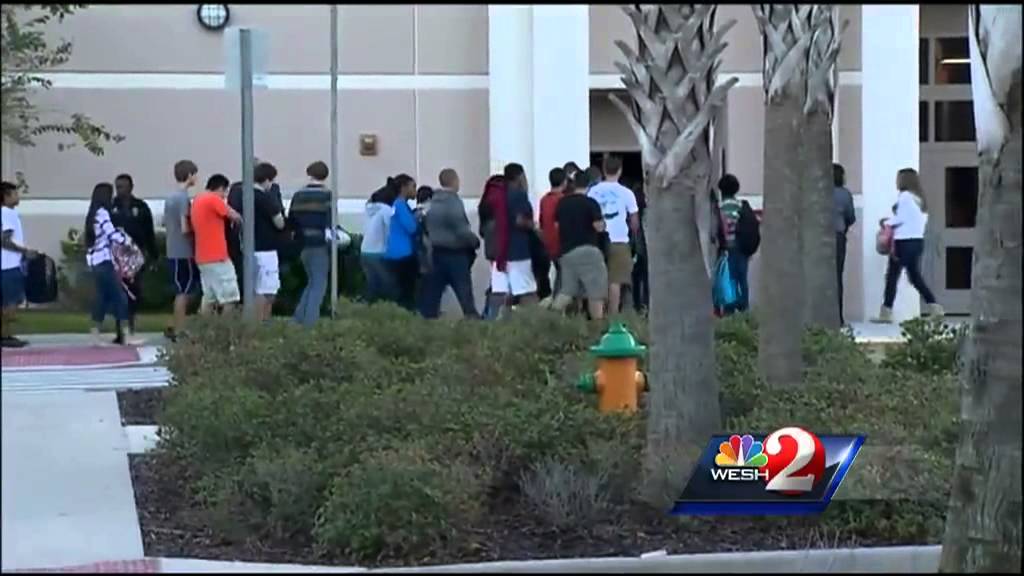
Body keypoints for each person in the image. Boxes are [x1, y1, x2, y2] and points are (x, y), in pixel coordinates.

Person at [872, 168, 943, 323]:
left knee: (892, 276)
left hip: (903, 243)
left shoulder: (904, 197)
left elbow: (901, 218)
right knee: (914, 276)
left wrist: (886, 223)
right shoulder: (920, 200)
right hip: (917, 242)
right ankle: (934, 307)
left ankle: (886, 313)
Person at [84, 183, 145, 346]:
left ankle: (95, 335)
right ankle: (126, 335)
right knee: (120, 297)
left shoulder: (92, 214)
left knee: (102, 298)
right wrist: (127, 241)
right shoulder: (102, 213)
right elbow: (111, 233)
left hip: (95, 261)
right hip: (104, 261)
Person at [543, 171, 608, 320]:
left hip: (567, 253)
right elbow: (598, 227)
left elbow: (557, 226)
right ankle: (597, 326)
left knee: (567, 291)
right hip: (589, 251)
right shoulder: (591, 203)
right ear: (588, 185)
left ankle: (551, 312)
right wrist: (604, 224)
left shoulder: (562, 203)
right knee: (595, 292)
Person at [420, 168, 480, 319]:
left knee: (433, 295)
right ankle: (473, 321)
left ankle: (426, 324)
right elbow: (461, 228)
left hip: (437, 253)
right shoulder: (453, 202)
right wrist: (474, 241)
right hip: (455, 254)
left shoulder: (433, 203)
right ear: (454, 181)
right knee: (464, 293)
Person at [482, 163, 538, 317]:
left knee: (499, 293)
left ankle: (494, 322)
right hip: (517, 251)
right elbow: (519, 220)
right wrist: (533, 226)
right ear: (520, 176)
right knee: (527, 292)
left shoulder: (496, 195)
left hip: (498, 252)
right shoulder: (518, 195)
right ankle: (535, 322)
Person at [587, 154, 639, 315]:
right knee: (615, 281)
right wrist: (633, 238)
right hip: (619, 240)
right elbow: (634, 221)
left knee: (596, 281)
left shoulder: (592, 191)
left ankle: (596, 317)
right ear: (620, 170)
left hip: (596, 241)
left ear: (603, 169)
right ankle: (613, 317)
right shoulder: (627, 193)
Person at [110, 173, 157, 336]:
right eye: (117, 187)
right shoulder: (111, 207)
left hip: (135, 258)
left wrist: (153, 256)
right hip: (116, 257)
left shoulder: (141, 207)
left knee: (133, 292)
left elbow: (149, 232)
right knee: (118, 293)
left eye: (122, 186)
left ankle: (130, 324)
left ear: (130, 187)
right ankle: (120, 330)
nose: (119, 190)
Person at [288, 161, 333, 327]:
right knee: (319, 283)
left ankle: (298, 318)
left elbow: (291, 218)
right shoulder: (327, 195)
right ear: (325, 175)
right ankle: (310, 322)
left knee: (311, 281)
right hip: (319, 243)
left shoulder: (298, 194)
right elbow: (330, 221)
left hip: (302, 243)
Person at [191, 174, 242, 316]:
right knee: (230, 297)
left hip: (203, 257)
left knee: (209, 297)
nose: (225, 196)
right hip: (218, 256)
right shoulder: (213, 199)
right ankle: (225, 331)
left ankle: (204, 331)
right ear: (220, 188)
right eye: (225, 192)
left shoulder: (198, 199)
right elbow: (234, 216)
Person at [162, 160, 200, 341]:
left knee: (181, 289)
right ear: (190, 175)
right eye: (195, 174)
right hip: (183, 251)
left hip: (172, 248)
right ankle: (180, 329)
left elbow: (164, 222)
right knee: (184, 291)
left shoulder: (170, 197)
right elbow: (185, 227)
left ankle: (174, 324)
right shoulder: (183, 198)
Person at [1, 181, 36, 348]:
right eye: (14, 194)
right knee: (11, 302)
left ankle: (6, 334)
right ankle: (5, 335)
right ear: (6, 196)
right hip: (9, 266)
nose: (18, 196)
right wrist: (24, 251)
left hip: (7, 265)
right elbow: (4, 240)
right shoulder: (7, 213)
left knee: (7, 302)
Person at [382, 174, 419, 311]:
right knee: (406, 293)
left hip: (392, 252)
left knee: (398, 291)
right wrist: (418, 218)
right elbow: (411, 227)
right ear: (404, 188)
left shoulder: (395, 205)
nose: (415, 190)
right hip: (403, 254)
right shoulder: (401, 205)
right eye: (413, 187)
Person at [715, 174, 750, 314]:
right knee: (742, 279)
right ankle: (744, 309)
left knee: (728, 279)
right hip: (741, 248)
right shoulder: (741, 206)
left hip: (725, 249)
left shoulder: (719, 208)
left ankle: (729, 310)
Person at [361, 183, 396, 304]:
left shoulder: (368, 209)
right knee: (388, 284)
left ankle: (367, 306)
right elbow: (390, 231)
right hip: (379, 251)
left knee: (372, 283)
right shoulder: (386, 210)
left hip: (365, 250)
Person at [833, 163, 856, 326]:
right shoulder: (844, 194)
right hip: (838, 236)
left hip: (816, 237)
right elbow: (851, 217)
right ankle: (838, 317)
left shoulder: (815, 192)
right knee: (836, 277)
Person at [539, 167, 567, 287]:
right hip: (562, 243)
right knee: (564, 277)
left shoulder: (544, 200)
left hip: (548, 244)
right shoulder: (564, 200)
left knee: (559, 274)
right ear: (564, 182)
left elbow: (541, 222)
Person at [628, 179, 649, 313]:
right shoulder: (649, 213)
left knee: (636, 279)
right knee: (647, 279)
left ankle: (637, 306)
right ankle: (646, 305)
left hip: (636, 250)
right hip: (647, 251)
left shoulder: (632, 215)